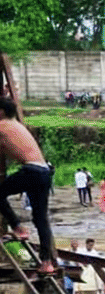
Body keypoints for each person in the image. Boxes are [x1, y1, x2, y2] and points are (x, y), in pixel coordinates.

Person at [0, 98, 58, 274]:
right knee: (41, 219)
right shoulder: (15, 124)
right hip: (44, 171)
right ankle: (46, 262)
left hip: (32, 171)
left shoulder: (2, 125)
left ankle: (18, 227)